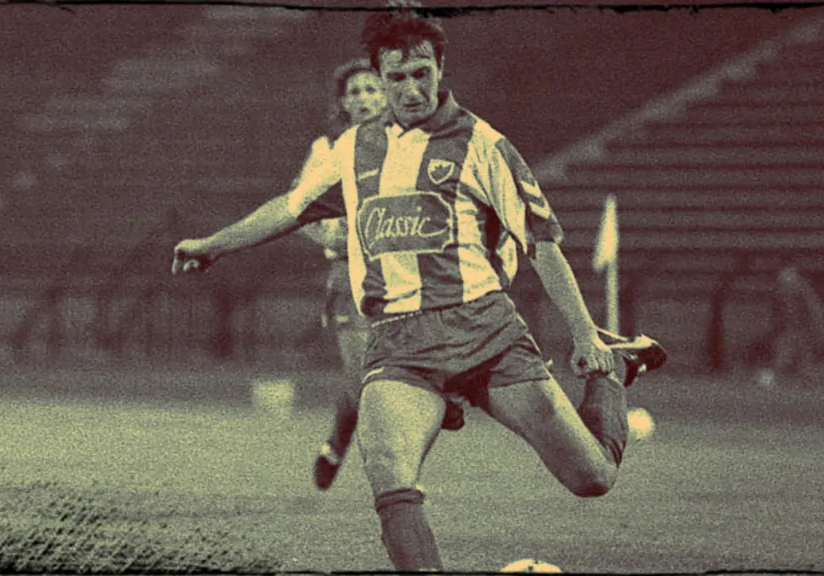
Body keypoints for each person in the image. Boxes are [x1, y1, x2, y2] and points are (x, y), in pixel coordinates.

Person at [172, 10, 665, 572]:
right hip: (399, 344)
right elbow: (290, 209)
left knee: (591, 477)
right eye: (397, 77)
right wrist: (213, 244)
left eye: (421, 74)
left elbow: (543, 244)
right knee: (389, 474)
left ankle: (610, 374)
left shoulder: (482, 144)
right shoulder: (354, 148)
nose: (411, 90)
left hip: (485, 333)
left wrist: (583, 335)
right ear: (380, 80)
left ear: (441, 68)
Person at [294, 58, 465, 492]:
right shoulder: (328, 149)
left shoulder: (410, 142)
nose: (364, 98)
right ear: (342, 104)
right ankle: (344, 448)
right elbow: (298, 209)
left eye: (371, 89)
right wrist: (333, 233)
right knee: (363, 380)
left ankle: (395, 472)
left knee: (400, 377)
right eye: (354, 92)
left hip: (406, 276)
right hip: (350, 278)